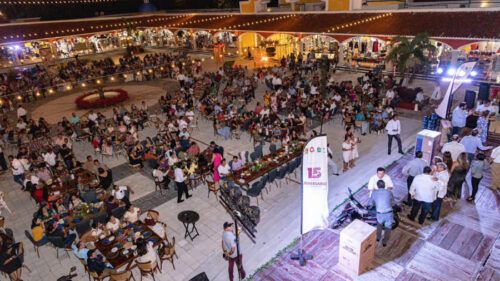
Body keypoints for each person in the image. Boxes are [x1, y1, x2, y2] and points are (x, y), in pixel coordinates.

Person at [370, 180, 394, 247]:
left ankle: (378, 238)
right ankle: (384, 242)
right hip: (389, 214)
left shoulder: (374, 193)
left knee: (379, 225)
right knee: (388, 228)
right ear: (384, 185)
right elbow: (393, 203)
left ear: (377, 186)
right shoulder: (389, 192)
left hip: (379, 214)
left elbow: (371, 204)